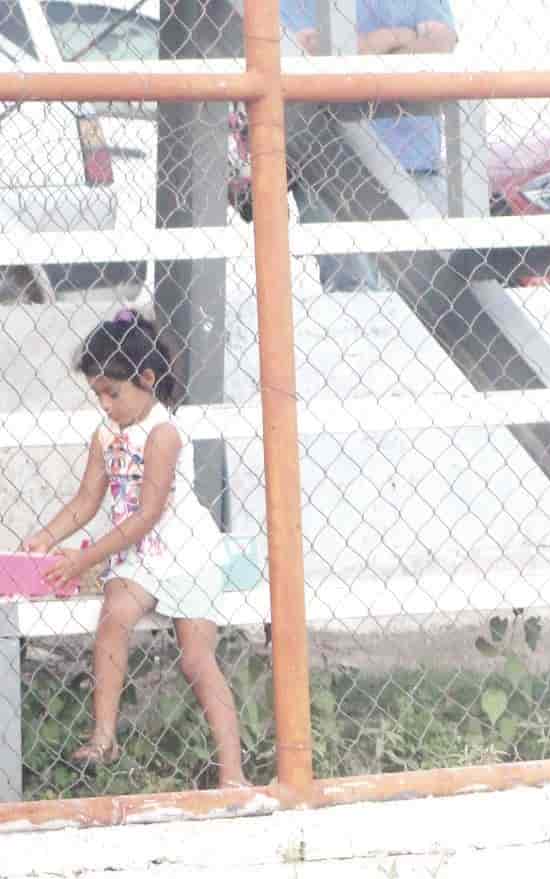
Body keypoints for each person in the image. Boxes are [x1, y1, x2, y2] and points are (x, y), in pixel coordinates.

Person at [21, 311, 249, 789]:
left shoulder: (162, 434)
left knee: (196, 658)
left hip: (185, 554)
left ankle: (233, 773)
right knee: (113, 615)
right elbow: (86, 500)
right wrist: (48, 537)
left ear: (146, 380)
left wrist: (86, 559)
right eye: (97, 394)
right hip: (138, 558)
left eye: (113, 392)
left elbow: (147, 514)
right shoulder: (106, 436)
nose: (105, 404)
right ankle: (104, 737)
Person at [279, 0, 461, 291]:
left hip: (416, 162)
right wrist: (401, 37)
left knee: (435, 293)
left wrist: (367, 44)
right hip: (327, 170)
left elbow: (440, 43)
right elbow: (304, 56)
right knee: (353, 294)